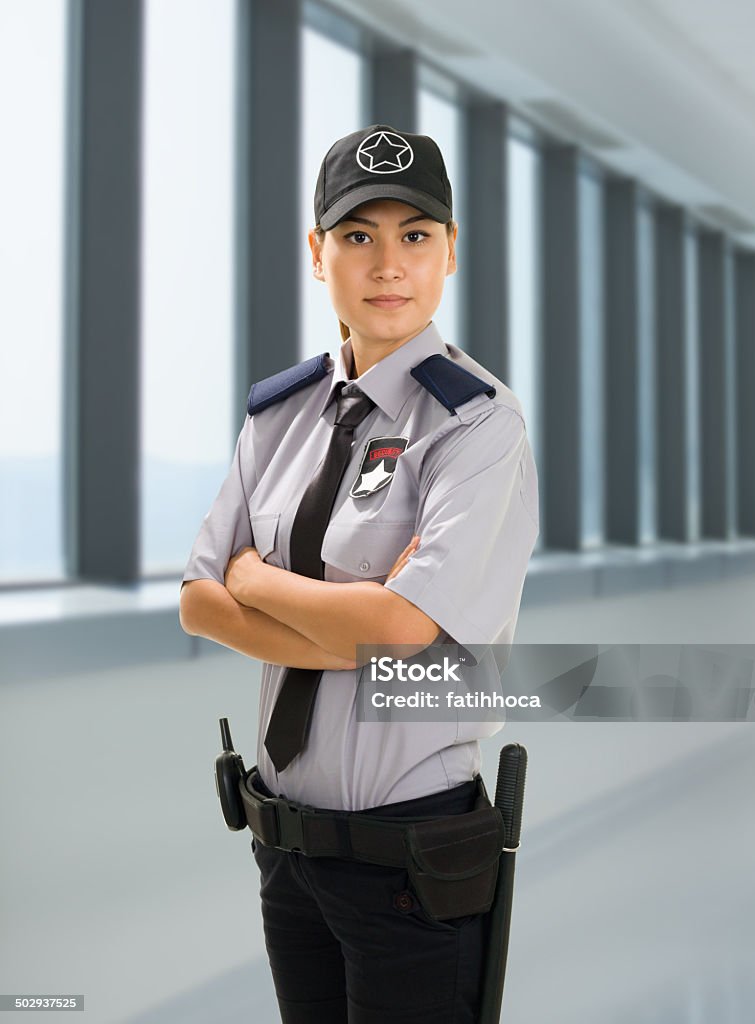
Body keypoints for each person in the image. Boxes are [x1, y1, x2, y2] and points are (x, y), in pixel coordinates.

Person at [179, 124, 539, 1024]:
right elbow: (195, 602)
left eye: (416, 236)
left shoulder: (476, 426)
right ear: (318, 253)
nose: (389, 264)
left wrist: (256, 582)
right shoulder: (279, 414)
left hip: (409, 864)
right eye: (358, 236)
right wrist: (360, 620)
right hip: (283, 851)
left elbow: (397, 634)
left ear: (451, 252)